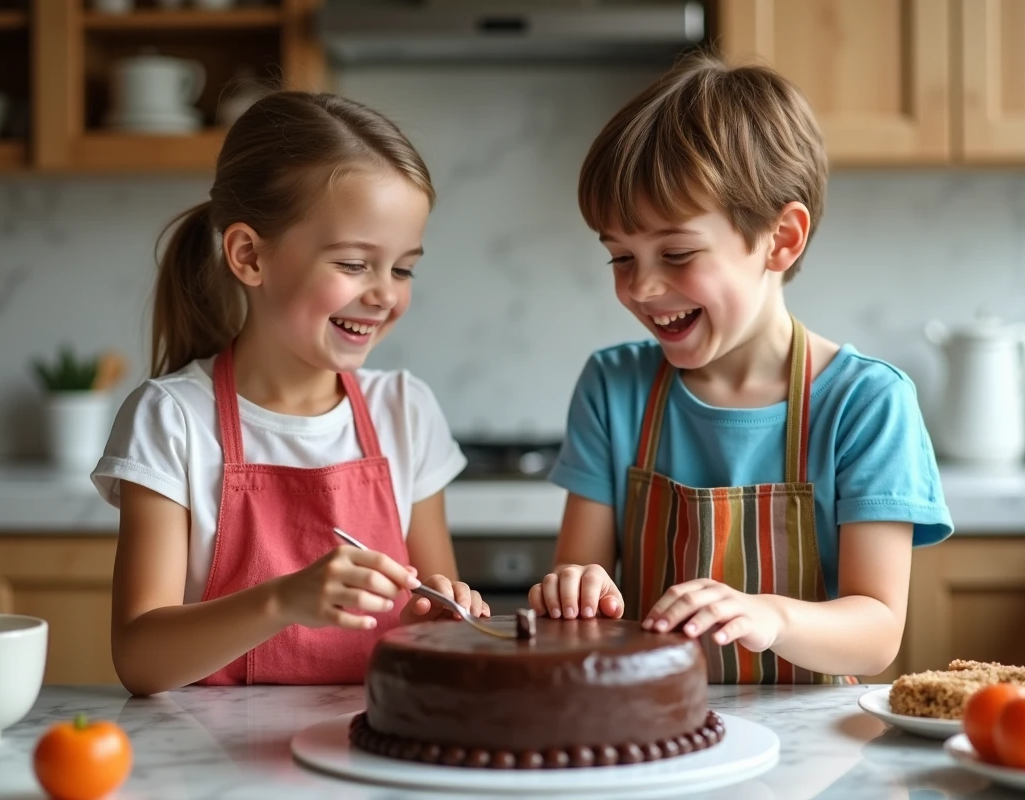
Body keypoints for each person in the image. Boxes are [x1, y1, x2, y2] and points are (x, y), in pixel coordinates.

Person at [529, 53, 953, 683]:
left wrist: (772, 618)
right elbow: (577, 589)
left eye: (676, 253)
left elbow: (877, 634)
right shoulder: (613, 388)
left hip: (809, 757)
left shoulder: (866, 403)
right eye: (620, 257)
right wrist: (573, 590)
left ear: (781, 239)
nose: (642, 288)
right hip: (649, 734)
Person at [92, 91, 485, 696]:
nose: (385, 294)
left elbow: (440, 620)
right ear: (249, 256)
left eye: (402, 268)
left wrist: (438, 618)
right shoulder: (171, 420)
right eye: (355, 264)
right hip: (213, 768)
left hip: (371, 754)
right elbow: (141, 659)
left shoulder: (405, 411)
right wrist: (282, 600)